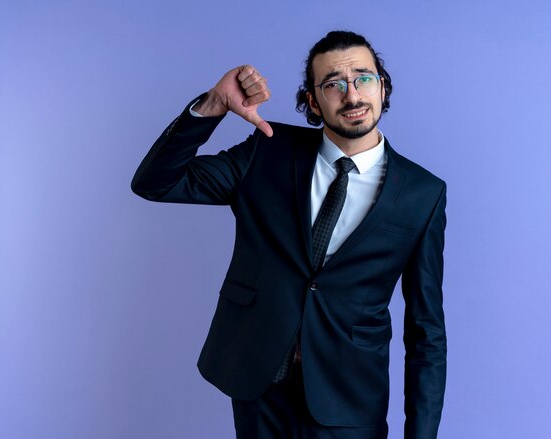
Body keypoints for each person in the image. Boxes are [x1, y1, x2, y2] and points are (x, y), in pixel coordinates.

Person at [132, 30, 447, 439]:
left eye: (364, 78)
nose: (352, 95)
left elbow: (427, 333)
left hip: (350, 400)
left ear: (382, 87)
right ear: (313, 101)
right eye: (333, 83)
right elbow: (155, 183)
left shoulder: (422, 193)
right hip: (260, 386)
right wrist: (213, 105)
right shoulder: (268, 150)